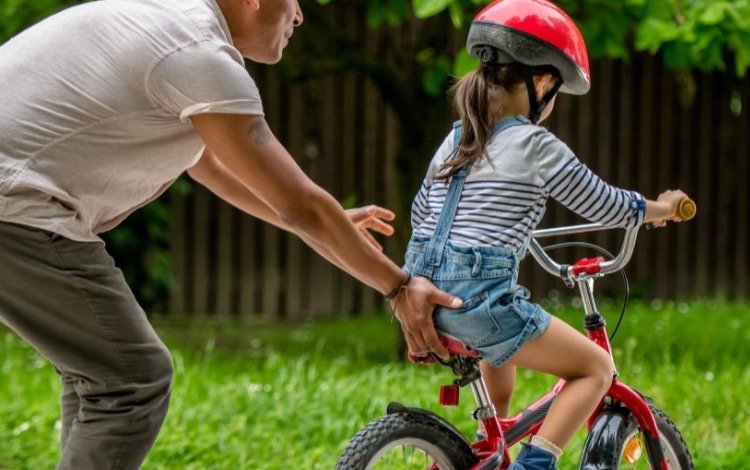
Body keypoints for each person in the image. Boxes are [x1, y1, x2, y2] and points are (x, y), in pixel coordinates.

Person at [0, 0, 461, 468]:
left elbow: (213, 167)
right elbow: (301, 205)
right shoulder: (197, 53)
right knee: (132, 380)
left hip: (16, 200)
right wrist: (400, 287)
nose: (299, 16)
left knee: (103, 376)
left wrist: (332, 223)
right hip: (16, 204)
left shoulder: (174, 29)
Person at [402, 0, 690, 468]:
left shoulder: (456, 137)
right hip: (480, 304)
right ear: (541, 83)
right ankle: (535, 463)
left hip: (428, 296)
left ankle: (486, 443)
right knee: (595, 369)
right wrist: (660, 208)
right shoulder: (534, 143)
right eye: (555, 93)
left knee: (501, 353)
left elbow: (422, 212)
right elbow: (601, 202)